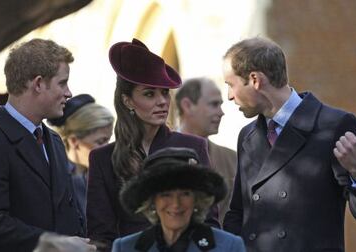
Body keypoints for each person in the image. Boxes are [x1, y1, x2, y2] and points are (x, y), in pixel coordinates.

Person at [221, 37, 356, 252]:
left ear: (255, 80)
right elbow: (238, 213)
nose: (230, 96)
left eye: (231, 85)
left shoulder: (335, 125)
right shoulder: (247, 135)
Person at [0, 39, 92, 252]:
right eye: (62, 83)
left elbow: (68, 211)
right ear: (38, 84)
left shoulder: (55, 141)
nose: (69, 93)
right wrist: (51, 243)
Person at [86, 38, 217, 251]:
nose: (162, 101)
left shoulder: (194, 146)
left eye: (165, 92)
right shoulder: (102, 158)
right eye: (149, 94)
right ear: (127, 100)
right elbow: (100, 235)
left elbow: (209, 221)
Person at [112, 147, 246, 252]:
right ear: (152, 202)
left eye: (185, 194)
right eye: (166, 194)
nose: (176, 204)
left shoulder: (229, 246)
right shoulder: (125, 248)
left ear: (197, 199)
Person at [175, 77, 237, 225]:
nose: (221, 113)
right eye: (214, 104)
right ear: (187, 105)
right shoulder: (159, 153)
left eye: (220, 105)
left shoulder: (233, 159)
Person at [47, 94, 114, 219]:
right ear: (74, 141)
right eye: (100, 142)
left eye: (108, 140)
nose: (108, 148)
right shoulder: (55, 180)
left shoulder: (104, 175)